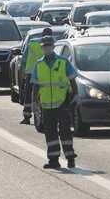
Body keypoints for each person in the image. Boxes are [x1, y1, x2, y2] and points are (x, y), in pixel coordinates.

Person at [31, 35, 78, 169]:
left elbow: (72, 80)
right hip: (46, 106)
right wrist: (34, 102)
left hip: (62, 103)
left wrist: (75, 96)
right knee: (50, 133)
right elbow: (35, 86)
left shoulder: (62, 62)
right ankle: (53, 160)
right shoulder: (39, 65)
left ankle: (70, 157)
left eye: (49, 46)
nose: (47, 48)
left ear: (53, 46)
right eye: (45, 46)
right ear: (42, 48)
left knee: (65, 132)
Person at [19, 27, 53, 125]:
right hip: (46, 73)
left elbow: (24, 59)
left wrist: (23, 70)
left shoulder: (32, 43)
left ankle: (26, 117)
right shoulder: (51, 45)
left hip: (31, 73)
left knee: (29, 94)